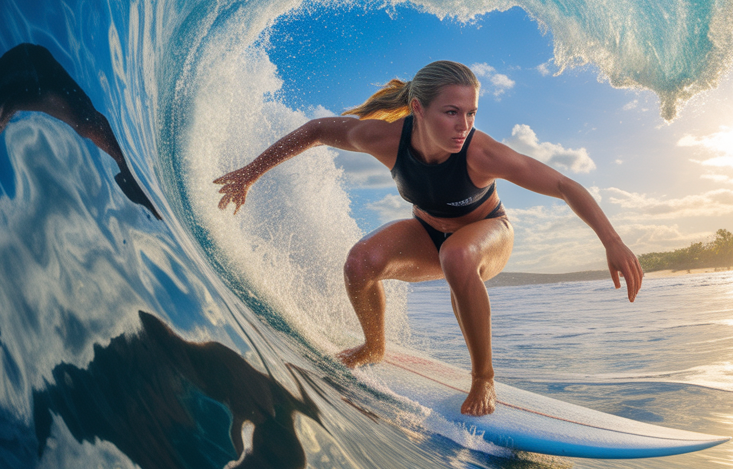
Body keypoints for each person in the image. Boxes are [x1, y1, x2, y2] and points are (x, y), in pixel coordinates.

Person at [214, 61, 642, 416]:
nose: (464, 124)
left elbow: (565, 185)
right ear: (417, 109)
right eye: (452, 112)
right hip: (427, 233)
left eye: (471, 113)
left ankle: (484, 378)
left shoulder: (481, 153)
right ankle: (374, 346)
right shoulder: (382, 138)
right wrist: (250, 173)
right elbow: (315, 130)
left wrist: (612, 240)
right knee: (359, 263)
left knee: (457, 255)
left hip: (488, 235)